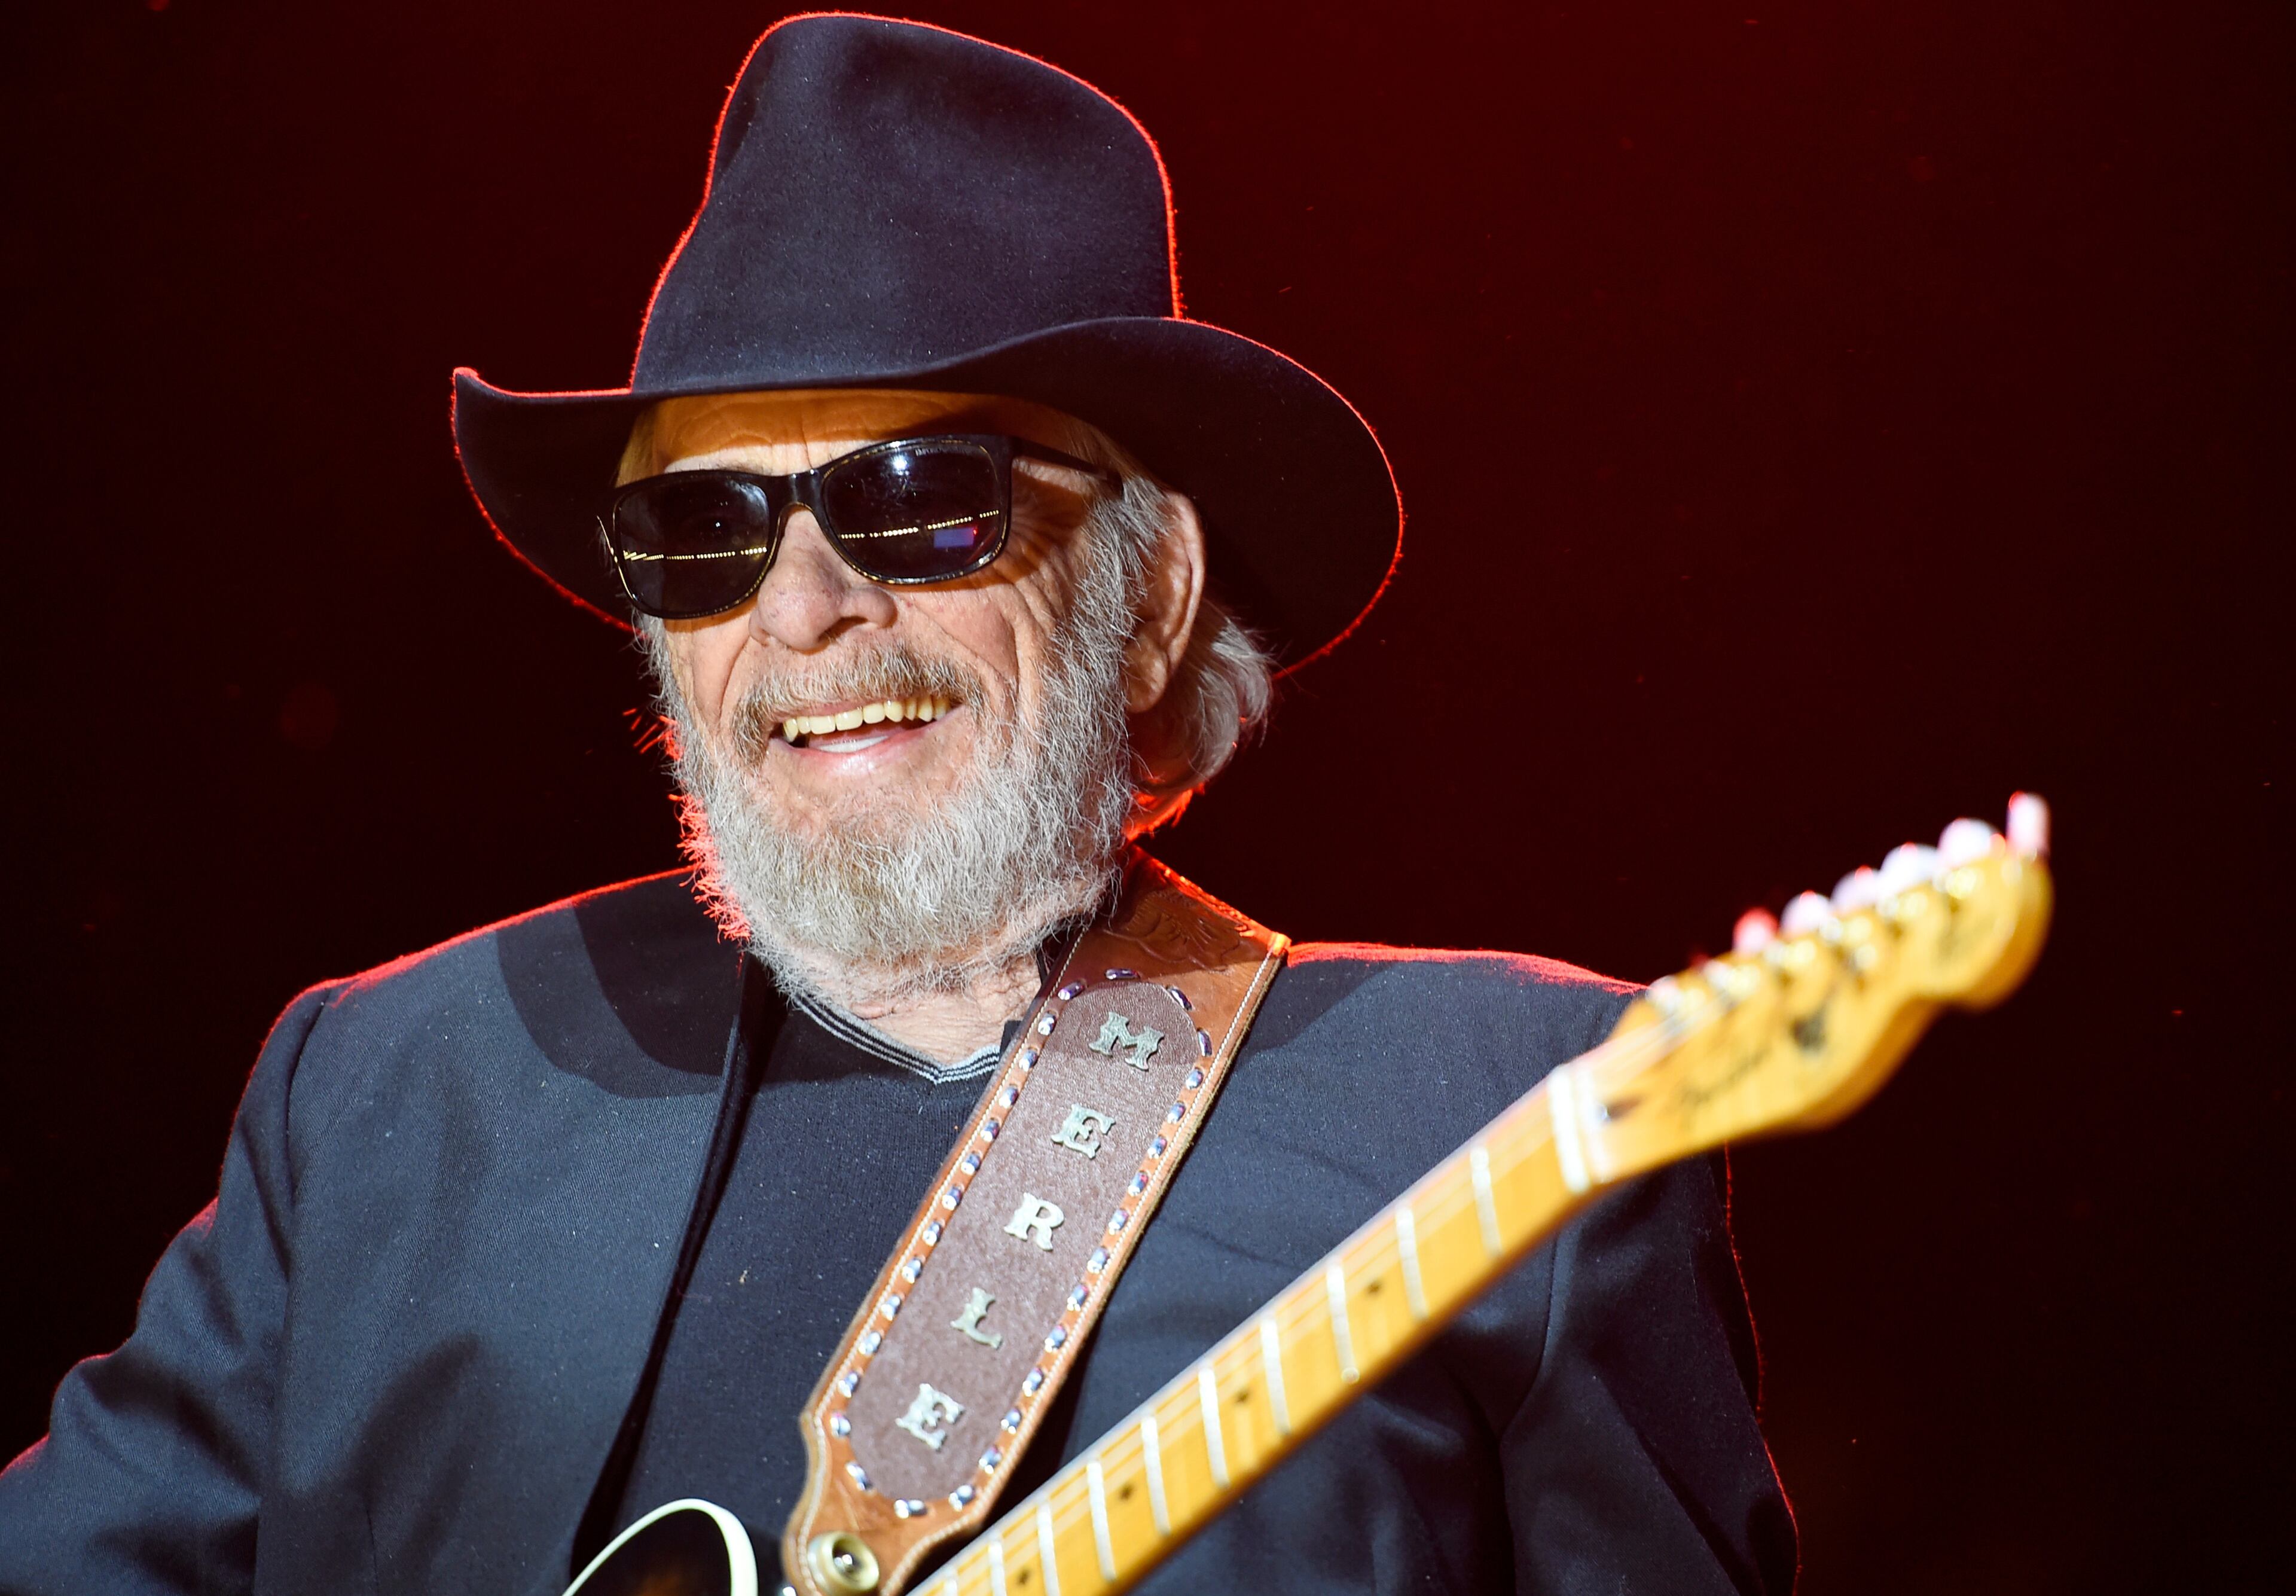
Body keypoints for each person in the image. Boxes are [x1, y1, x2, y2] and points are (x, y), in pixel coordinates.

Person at [0, 16, 1795, 1595]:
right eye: (700, 534)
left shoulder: (1516, 1132)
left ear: (1150, 593)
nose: (801, 615)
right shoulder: (391, 1090)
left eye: (919, 499)